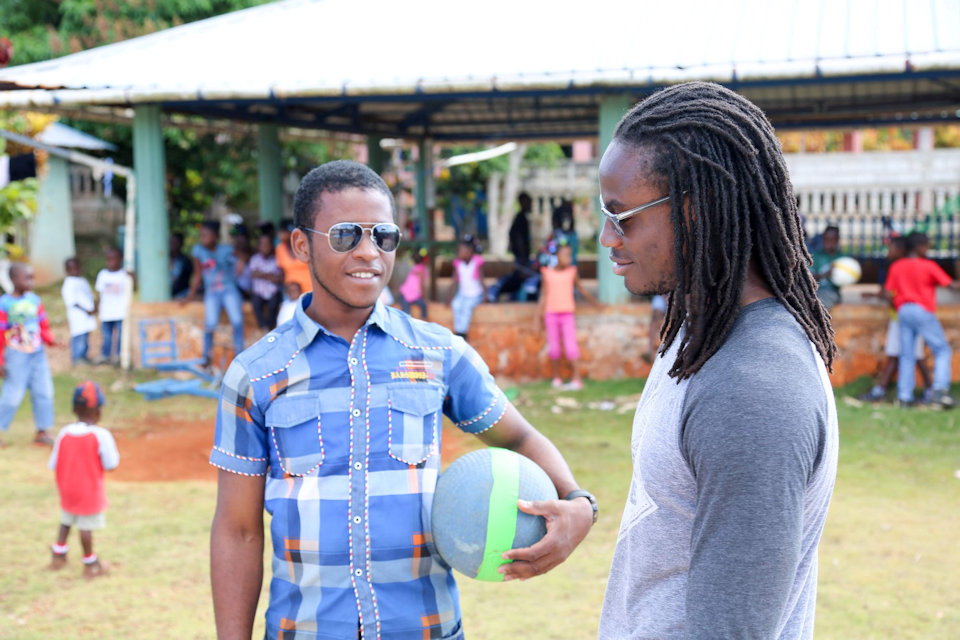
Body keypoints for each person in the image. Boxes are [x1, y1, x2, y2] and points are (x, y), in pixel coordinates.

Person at [209, 160, 595, 640]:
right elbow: (238, 530)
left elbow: (519, 436)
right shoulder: (255, 374)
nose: (369, 252)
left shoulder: (439, 353)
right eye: (347, 235)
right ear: (301, 244)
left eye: (384, 236)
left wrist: (580, 503)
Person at [596, 82, 839, 639]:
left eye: (623, 216)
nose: (607, 236)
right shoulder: (697, 329)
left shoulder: (752, 390)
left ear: (696, 210)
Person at [47, 381, 118, 579]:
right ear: (99, 410)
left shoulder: (63, 432)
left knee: (66, 521)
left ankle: (58, 554)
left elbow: (53, 463)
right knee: (86, 527)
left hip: (67, 489)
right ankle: (90, 562)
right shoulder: (101, 435)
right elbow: (111, 464)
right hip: (88, 491)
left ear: (74, 409)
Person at [883, 231, 960, 409]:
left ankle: (904, 397)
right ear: (919, 247)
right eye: (926, 245)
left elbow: (888, 293)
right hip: (922, 311)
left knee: (907, 354)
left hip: (902, 311)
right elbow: (951, 285)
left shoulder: (897, 266)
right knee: (941, 349)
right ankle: (939, 392)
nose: (928, 249)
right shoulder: (928, 266)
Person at [858, 236, 932, 403]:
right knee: (895, 353)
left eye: (892, 248)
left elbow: (890, 293)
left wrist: (875, 294)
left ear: (901, 250)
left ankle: (929, 390)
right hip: (898, 317)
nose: (889, 252)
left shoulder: (900, 267)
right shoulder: (896, 266)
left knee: (916, 355)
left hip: (907, 317)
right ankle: (881, 389)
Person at [0, 263, 56, 447]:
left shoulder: (35, 300)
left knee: (44, 392)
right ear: (14, 280)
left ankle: (43, 431)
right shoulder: (5, 303)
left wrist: (52, 340)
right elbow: (1, 334)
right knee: (12, 395)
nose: (31, 282)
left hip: (38, 354)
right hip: (16, 355)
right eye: (27, 278)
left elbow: (42, 326)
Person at [534, 243, 597, 390]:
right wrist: (536, 319)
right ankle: (556, 378)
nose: (569, 258)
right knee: (554, 348)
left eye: (570, 255)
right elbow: (543, 296)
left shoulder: (572, 271)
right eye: (565, 255)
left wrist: (596, 303)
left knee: (571, 347)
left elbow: (581, 289)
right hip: (551, 314)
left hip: (567, 314)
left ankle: (577, 379)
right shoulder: (546, 273)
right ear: (556, 257)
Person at [183, 220, 245, 367]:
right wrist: (190, 296)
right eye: (201, 235)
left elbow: (242, 256)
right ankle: (207, 357)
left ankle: (240, 355)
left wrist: (239, 268)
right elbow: (198, 275)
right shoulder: (198, 251)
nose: (203, 238)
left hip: (229, 289)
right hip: (212, 292)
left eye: (206, 235)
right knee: (210, 324)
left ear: (215, 236)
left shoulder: (226, 249)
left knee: (237, 321)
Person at [94, 247, 131, 365]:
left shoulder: (124, 274)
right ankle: (105, 355)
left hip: (120, 312)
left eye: (113, 259)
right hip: (106, 312)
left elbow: (133, 288)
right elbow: (99, 293)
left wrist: (133, 276)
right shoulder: (103, 275)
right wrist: (97, 307)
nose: (110, 262)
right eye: (108, 259)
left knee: (121, 335)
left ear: (120, 259)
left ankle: (118, 356)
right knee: (107, 335)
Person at [445, 235, 486, 341]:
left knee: (467, 308)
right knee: (456, 305)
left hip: (475, 294)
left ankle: (461, 333)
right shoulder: (458, 264)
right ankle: (459, 331)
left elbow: (482, 280)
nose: (459, 253)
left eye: (461, 251)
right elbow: (453, 281)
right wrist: (449, 297)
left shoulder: (476, 262)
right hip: (462, 293)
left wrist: (485, 295)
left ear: (469, 251)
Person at [61, 257, 97, 364]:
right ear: (67, 270)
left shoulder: (82, 281)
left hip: (87, 315)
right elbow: (71, 301)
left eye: (76, 267)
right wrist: (86, 310)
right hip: (78, 315)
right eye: (72, 268)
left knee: (85, 336)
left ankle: (84, 356)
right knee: (78, 336)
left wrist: (93, 307)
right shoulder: (68, 283)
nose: (75, 270)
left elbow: (89, 295)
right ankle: (77, 358)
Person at [249, 232, 283, 332]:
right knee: (256, 304)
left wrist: (261, 274)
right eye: (262, 244)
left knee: (273, 305)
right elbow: (254, 274)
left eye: (268, 244)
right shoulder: (254, 259)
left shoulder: (277, 259)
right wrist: (270, 276)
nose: (265, 247)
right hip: (259, 293)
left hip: (273, 292)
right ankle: (264, 327)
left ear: (272, 245)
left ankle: (271, 328)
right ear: (258, 246)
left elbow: (279, 279)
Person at [275, 217, 313, 295]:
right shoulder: (280, 248)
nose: (279, 235)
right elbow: (282, 272)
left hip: (310, 292)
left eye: (282, 231)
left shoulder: (305, 246)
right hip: (292, 294)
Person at [810, 225, 844, 310]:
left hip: (831, 293)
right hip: (814, 292)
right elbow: (809, 277)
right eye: (826, 239)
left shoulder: (842, 258)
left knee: (820, 304)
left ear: (837, 240)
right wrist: (825, 275)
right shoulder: (816, 256)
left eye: (832, 240)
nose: (828, 242)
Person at [397, 248, 429, 319]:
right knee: (422, 306)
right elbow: (421, 284)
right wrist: (424, 295)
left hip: (405, 294)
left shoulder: (416, 268)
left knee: (406, 315)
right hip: (408, 295)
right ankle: (424, 321)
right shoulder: (421, 269)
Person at [170, 232, 194, 299]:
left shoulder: (185, 260)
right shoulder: (163, 260)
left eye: (175, 242)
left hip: (181, 294)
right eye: (171, 241)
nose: (172, 244)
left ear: (181, 244)